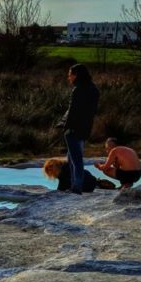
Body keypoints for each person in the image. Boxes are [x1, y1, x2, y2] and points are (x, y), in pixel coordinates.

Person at [56, 64, 100, 194]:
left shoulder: (78, 89)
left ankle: (76, 187)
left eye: (70, 74)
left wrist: (65, 126)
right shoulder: (94, 89)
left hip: (73, 128)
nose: (68, 77)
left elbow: (72, 111)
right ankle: (73, 184)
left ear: (76, 75)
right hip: (85, 128)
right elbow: (92, 111)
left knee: (76, 160)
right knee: (72, 158)